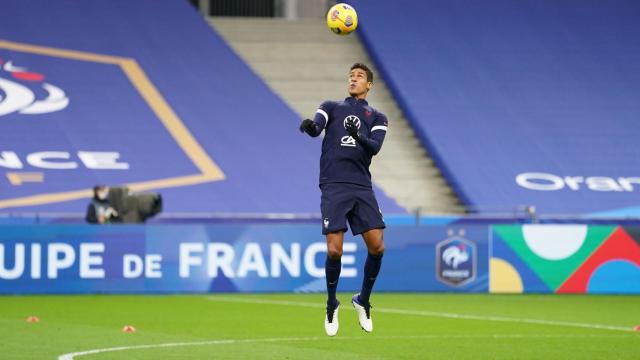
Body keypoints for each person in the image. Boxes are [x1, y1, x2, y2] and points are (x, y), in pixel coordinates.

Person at [299, 63, 388, 337]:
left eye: (359, 76)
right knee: (335, 250)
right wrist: (309, 127)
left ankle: (362, 299)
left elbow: (374, 148)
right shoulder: (331, 106)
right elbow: (317, 127)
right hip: (334, 184)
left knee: (377, 247)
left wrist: (357, 134)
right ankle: (331, 302)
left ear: (369, 85)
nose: (353, 79)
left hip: (361, 185)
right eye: (351, 76)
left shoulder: (378, 116)